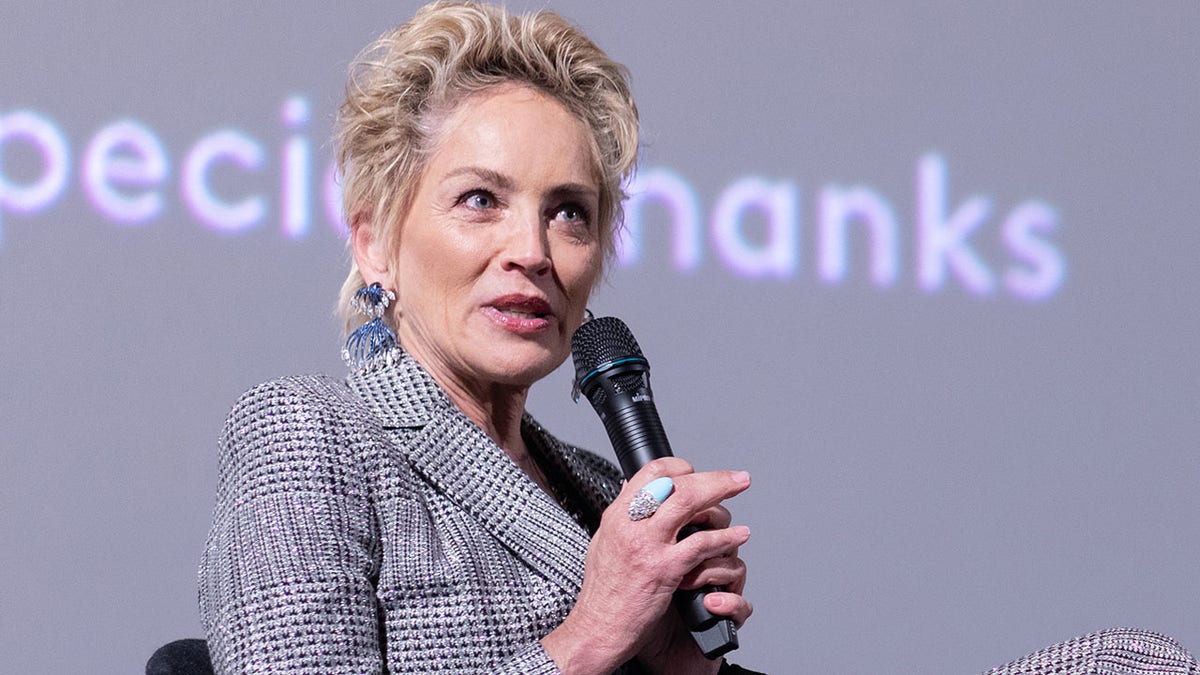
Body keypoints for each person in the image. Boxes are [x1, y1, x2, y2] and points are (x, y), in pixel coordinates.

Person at [197, 2, 756, 673]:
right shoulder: (308, 436)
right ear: (375, 244)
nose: (533, 249)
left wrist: (676, 666)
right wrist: (591, 636)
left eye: (568, 212)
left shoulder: (607, 488)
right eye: (481, 200)